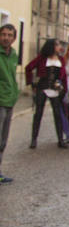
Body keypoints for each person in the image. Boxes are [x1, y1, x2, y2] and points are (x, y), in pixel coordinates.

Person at [25, 39, 68, 149]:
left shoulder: (61, 59)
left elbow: (64, 76)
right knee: (38, 114)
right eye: (57, 45)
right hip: (42, 88)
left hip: (55, 89)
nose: (59, 47)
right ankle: (34, 140)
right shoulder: (42, 58)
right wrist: (31, 83)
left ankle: (60, 140)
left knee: (57, 114)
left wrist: (65, 89)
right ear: (51, 46)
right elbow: (28, 68)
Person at [0, 23, 19, 183]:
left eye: (9, 35)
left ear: (14, 38)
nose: (6, 38)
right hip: (0, 100)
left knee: (3, 140)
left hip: (9, 101)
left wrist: (15, 94)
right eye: (3, 34)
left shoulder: (13, 54)